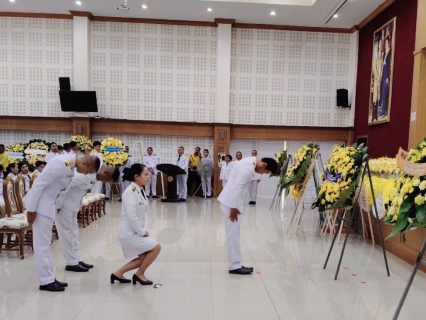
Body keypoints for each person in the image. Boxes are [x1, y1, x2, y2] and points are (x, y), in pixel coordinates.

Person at [23, 154, 101, 292]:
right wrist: (31, 210)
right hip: (40, 207)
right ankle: (45, 281)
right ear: (85, 164)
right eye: (87, 171)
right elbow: (39, 184)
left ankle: (49, 277)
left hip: (47, 206)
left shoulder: (70, 166)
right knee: (42, 245)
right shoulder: (61, 163)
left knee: (46, 244)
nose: (85, 174)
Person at [55, 160, 120, 272]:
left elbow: (80, 191)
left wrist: (78, 207)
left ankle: (77, 259)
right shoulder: (85, 173)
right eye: (106, 180)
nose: (104, 182)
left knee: (74, 233)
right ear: (104, 172)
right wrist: (58, 204)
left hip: (72, 206)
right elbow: (64, 186)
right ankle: (71, 263)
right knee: (66, 234)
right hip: (63, 206)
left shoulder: (92, 174)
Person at [218, 156, 277, 275]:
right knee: (233, 235)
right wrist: (234, 208)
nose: (263, 174)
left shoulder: (250, 161)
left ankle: (236, 264)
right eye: (265, 172)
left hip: (232, 202)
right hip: (231, 204)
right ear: (264, 165)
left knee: (234, 234)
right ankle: (235, 266)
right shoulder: (248, 168)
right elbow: (237, 187)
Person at [111, 164, 161, 285]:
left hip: (135, 231)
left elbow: (143, 213)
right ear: (136, 177)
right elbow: (131, 216)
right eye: (145, 174)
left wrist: (143, 230)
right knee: (156, 247)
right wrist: (142, 232)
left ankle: (117, 274)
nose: (148, 177)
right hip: (128, 233)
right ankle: (139, 274)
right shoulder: (130, 192)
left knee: (144, 257)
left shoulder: (139, 189)